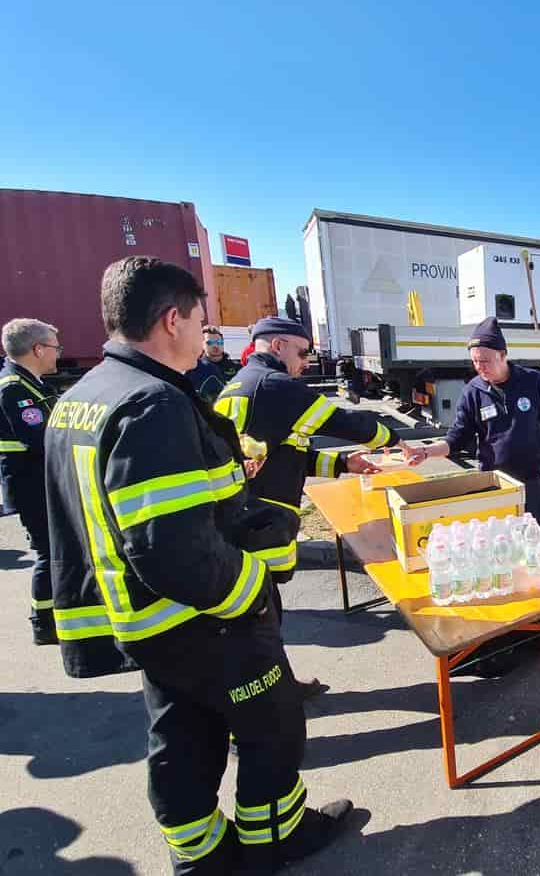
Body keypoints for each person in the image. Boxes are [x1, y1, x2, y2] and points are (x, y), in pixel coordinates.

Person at [44, 257, 353, 874]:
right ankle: (275, 839)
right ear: (170, 319)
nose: (207, 335)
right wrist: (254, 593)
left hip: (145, 622)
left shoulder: (82, 398)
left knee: (183, 737)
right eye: (201, 321)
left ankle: (202, 855)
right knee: (272, 727)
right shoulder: (152, 405)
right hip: (206, 620)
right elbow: (173, 552)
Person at [213, 317, 391, 695]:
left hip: (245, 517)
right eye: (303, 351)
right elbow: (344, 422)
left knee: (265, 614)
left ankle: (278, 685)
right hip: (256, 521)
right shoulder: (274, 385)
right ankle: (254, 707)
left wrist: (344, 464)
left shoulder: (244, 384)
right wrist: (389, 437)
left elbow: (291, 452)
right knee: (256, 620)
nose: (307, 361)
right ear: (277, 345)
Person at [401, 317, 540, 526]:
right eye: (475, 361)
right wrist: (424, 453)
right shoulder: (473, 391)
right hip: (494, 482)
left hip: (532, 479)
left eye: (485, 361)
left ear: (503, 355)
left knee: (538, 539)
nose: (479, 367)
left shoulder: (532, 381)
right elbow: (456, 438)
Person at [0, 318, 61, 645]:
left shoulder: (30, 382)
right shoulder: (14, 388)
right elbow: (40, 438)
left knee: (52, 550)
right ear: (37, 349)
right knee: (46, 552)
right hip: (29, 484)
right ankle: (43, 623)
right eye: (54, 346)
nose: (57, 353)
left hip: (37, 480)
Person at [185, 326, 240, 402]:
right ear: (202, 344)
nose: (215, 346)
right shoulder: (194, 370)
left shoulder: (237, 368)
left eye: (219, 342)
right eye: (210, 343)